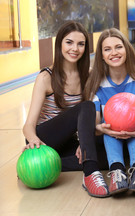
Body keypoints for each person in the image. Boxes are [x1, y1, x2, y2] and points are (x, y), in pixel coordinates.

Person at [22, 21, 109, 198]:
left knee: (113, 156)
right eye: (69, 42)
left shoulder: (89, 75)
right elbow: (28, 125)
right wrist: (33, 141)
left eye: (81, 44)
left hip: (69, 142)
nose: (75, 48)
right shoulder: (46, 77)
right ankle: (90, 173)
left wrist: (85, 143)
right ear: (59, 43)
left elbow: (95, 117)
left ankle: (51, 165)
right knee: (86, 106)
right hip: (45, 140)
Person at [83, 28, 135, 195]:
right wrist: (106, 128)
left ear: (127, 49)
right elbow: (96, 122)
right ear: (101, 55)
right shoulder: (95, 83)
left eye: (118, 47)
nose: (114, 53)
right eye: (107, 49)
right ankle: (116, 171)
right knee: (109, 126)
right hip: (106, 137)